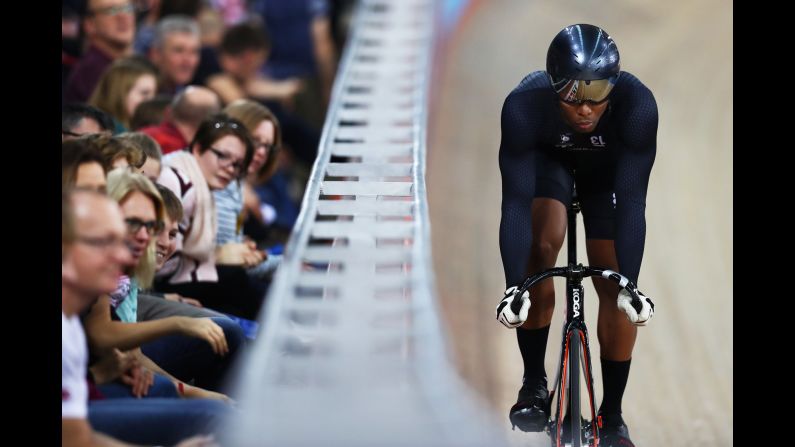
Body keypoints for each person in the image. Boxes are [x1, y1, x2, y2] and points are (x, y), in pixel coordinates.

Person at [494, 24, 657, 447]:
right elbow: (514, 203)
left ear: (614, 85)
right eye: (571, 94)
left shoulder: (637, 107)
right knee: (542, 245)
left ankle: (613, 416)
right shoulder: (523, 107)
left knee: (614, 283)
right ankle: (533, 383)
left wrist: (631, 285)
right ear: (553, 88)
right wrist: (515, 287)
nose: (585, 108)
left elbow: (633, 204)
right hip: (550, 169)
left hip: (603, 179)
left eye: (597, 92)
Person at [62, 188, 222, 447]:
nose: (125, 255)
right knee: (214, 416)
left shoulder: (70, 324)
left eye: (154, 228)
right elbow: (74, 438)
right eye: (102, 242)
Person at [89, 57, 159, 132]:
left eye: (154, 94)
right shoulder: (110, 135)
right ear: (119, 92)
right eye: (144, 93)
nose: (152, 100)